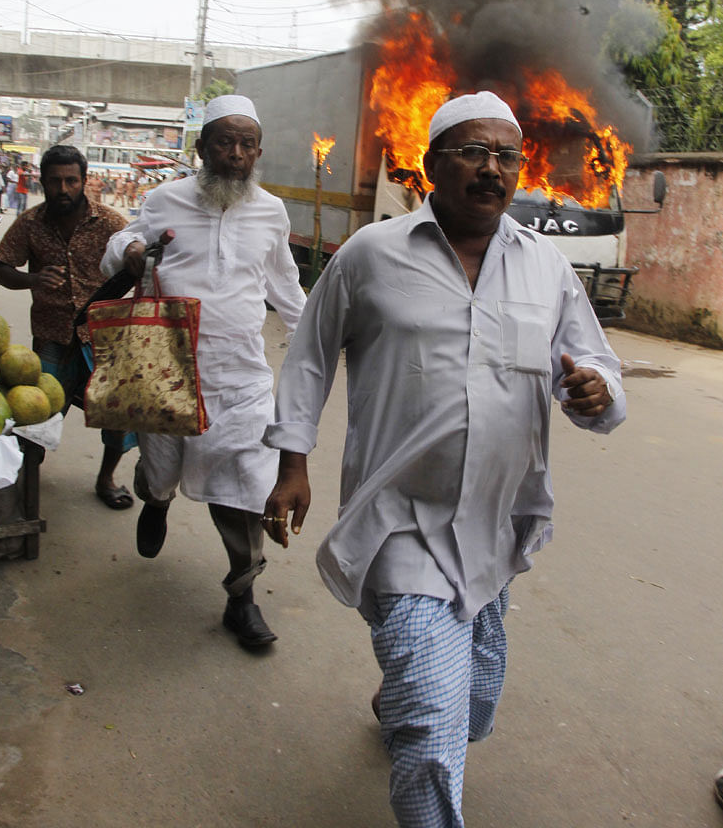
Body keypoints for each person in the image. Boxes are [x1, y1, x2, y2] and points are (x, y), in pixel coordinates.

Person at [262, 92, 627, 828]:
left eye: (505, 156)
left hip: (494, 527)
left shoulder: (544, 268)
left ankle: (404, 690)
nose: (491, 170)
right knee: (432, 732)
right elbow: (308, 359)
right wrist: (290, 464)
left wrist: (597, 394)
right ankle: (417, 723)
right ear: (430, 164)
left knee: (472, 705)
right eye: (471, 152)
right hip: (399, 520)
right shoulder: (372, 254)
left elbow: (595, 370)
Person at [100, 95, 306, 649]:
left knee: (244, 488)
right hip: (165, 368)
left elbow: (285, 285)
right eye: (224, 141)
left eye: (246, 144)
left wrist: (320, 338)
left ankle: (242, 599)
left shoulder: (270, 211)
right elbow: (122, 242)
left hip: (241, 378)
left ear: (258, 152)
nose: (235, 154)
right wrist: (132, 249)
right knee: (161, 468)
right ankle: (156, 500)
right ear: (202, 148)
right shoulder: (165, 199)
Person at [0, 144, 136, 510]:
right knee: (37, 414)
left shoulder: (111, 222)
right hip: (51, 336)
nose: (63, 188)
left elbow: (134, 267)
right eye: (55, 181)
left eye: (71, 180)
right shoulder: (30, 222)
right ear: (43, 181)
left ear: (84, 181)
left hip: (104, 339)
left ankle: (106, 479)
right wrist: (34, 279)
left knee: (117, 414)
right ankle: (27, 480)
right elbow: (1, 269)